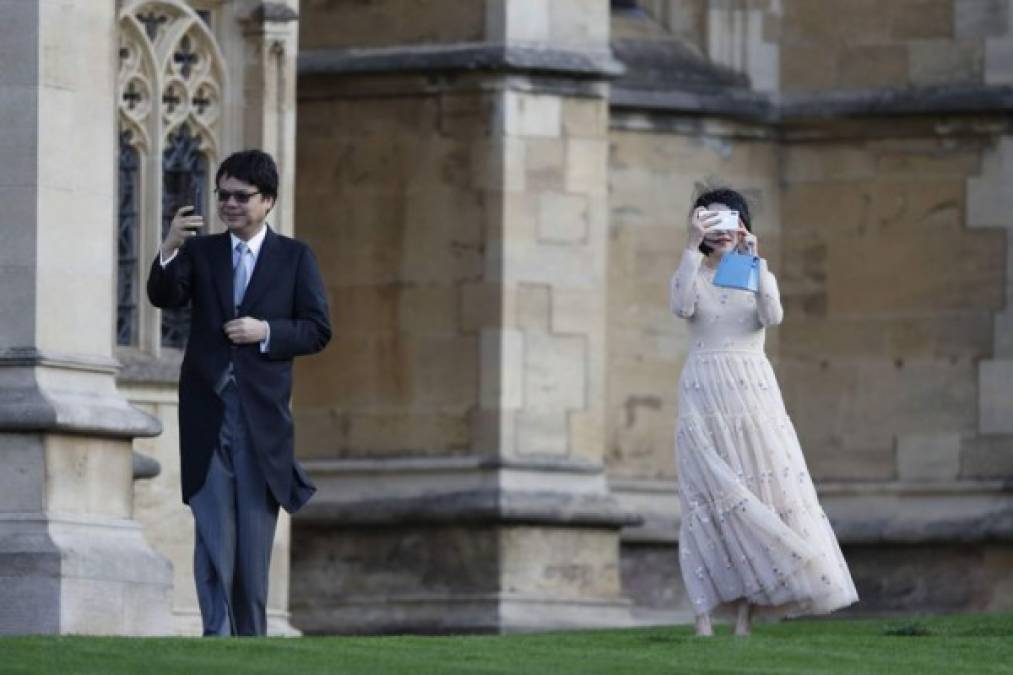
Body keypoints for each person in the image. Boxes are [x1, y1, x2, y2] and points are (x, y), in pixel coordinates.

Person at [147, 149, 331, 636]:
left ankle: (250, 644)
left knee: (252, 542)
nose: (229, 204)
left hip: (262, 421)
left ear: (267, 200)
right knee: (213, 535)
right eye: (222, 195)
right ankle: (217, 637)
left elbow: (317, 330)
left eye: (241, 196)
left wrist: (265, 330)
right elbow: (164, 297)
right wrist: (169, 246)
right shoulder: (200, 252)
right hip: (207, 412)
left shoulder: (295, 257)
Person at [670, 187, 857, 637]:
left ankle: (744, 615)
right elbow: (681, 305)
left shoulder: (750, 270)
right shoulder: (691, 270)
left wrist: (755, 262)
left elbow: (771, 317)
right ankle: (701, 615)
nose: (719, 230)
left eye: (726, 220)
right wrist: (691, 248)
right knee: (704, 492)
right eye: (708, 221)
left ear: (742, 223)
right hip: (703, 388)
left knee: (757, 491)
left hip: (751, 393)